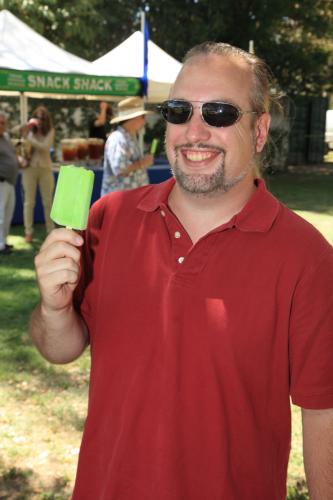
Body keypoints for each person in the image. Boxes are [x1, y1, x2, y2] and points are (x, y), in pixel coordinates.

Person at [29, 42, 333, 500]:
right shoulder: (107, 220)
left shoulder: (307, 258)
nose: (195, 131)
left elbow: (324, 414)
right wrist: (53, 309)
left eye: (220, 113)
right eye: (178, 110)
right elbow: (60, 349)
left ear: (260, 130)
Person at [100, 96, 154, 195]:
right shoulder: (118, 138)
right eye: (143, 117)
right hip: (119, 204)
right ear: (133, 118)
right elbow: (120, 169)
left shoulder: (128, 137)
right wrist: (142, 163)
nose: (144, 121)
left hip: (127, 202)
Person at [21, 105, 55, 243]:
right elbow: (18, 138)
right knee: (29, 202)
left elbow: (45, 146)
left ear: (47, 119)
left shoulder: (50, 131)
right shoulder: (29, 131)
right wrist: (26, 129)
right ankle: (28, 232)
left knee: (48, 201)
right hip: (29, 169)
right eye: (37, 116)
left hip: (45, 168)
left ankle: (50, 231)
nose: (40, 119)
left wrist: (30, 138)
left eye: (43, 117)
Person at [0, 112, 19, 255]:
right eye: (0, 123)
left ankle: (3, 242)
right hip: (1, 181)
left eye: (4, 123)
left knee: (7, 215)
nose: (3, 125)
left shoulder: (5, 138)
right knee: (0, 215)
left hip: (10, 182)